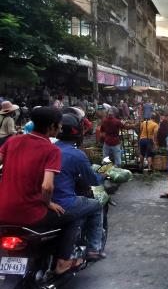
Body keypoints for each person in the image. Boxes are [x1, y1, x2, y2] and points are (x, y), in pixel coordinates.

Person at [0, 107, 81, 274]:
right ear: (51, 126)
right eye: (59, 125)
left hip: (3, 210)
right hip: (30, 213)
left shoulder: (13, 141)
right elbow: (47, 186)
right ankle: (63, 262)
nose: (60, 128)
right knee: (73, 217)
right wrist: (48, 202)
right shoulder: (51, 150)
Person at [53, 114, 106, 261]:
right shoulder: (77, 155)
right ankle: (93, 249)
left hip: (44, 201)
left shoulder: (49, 148)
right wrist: (104, 175)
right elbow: (93, 180)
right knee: (96, 205)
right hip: (63, 202)